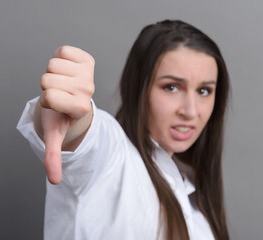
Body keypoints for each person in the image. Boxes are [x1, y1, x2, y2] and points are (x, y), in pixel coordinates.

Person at [17, 20, 230, 240]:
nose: (190, 111)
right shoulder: (114, 157)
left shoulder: (192, 196)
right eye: (171, 87)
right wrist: (71, 113)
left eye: (204, 91)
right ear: (138, 88)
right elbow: (89, 138)